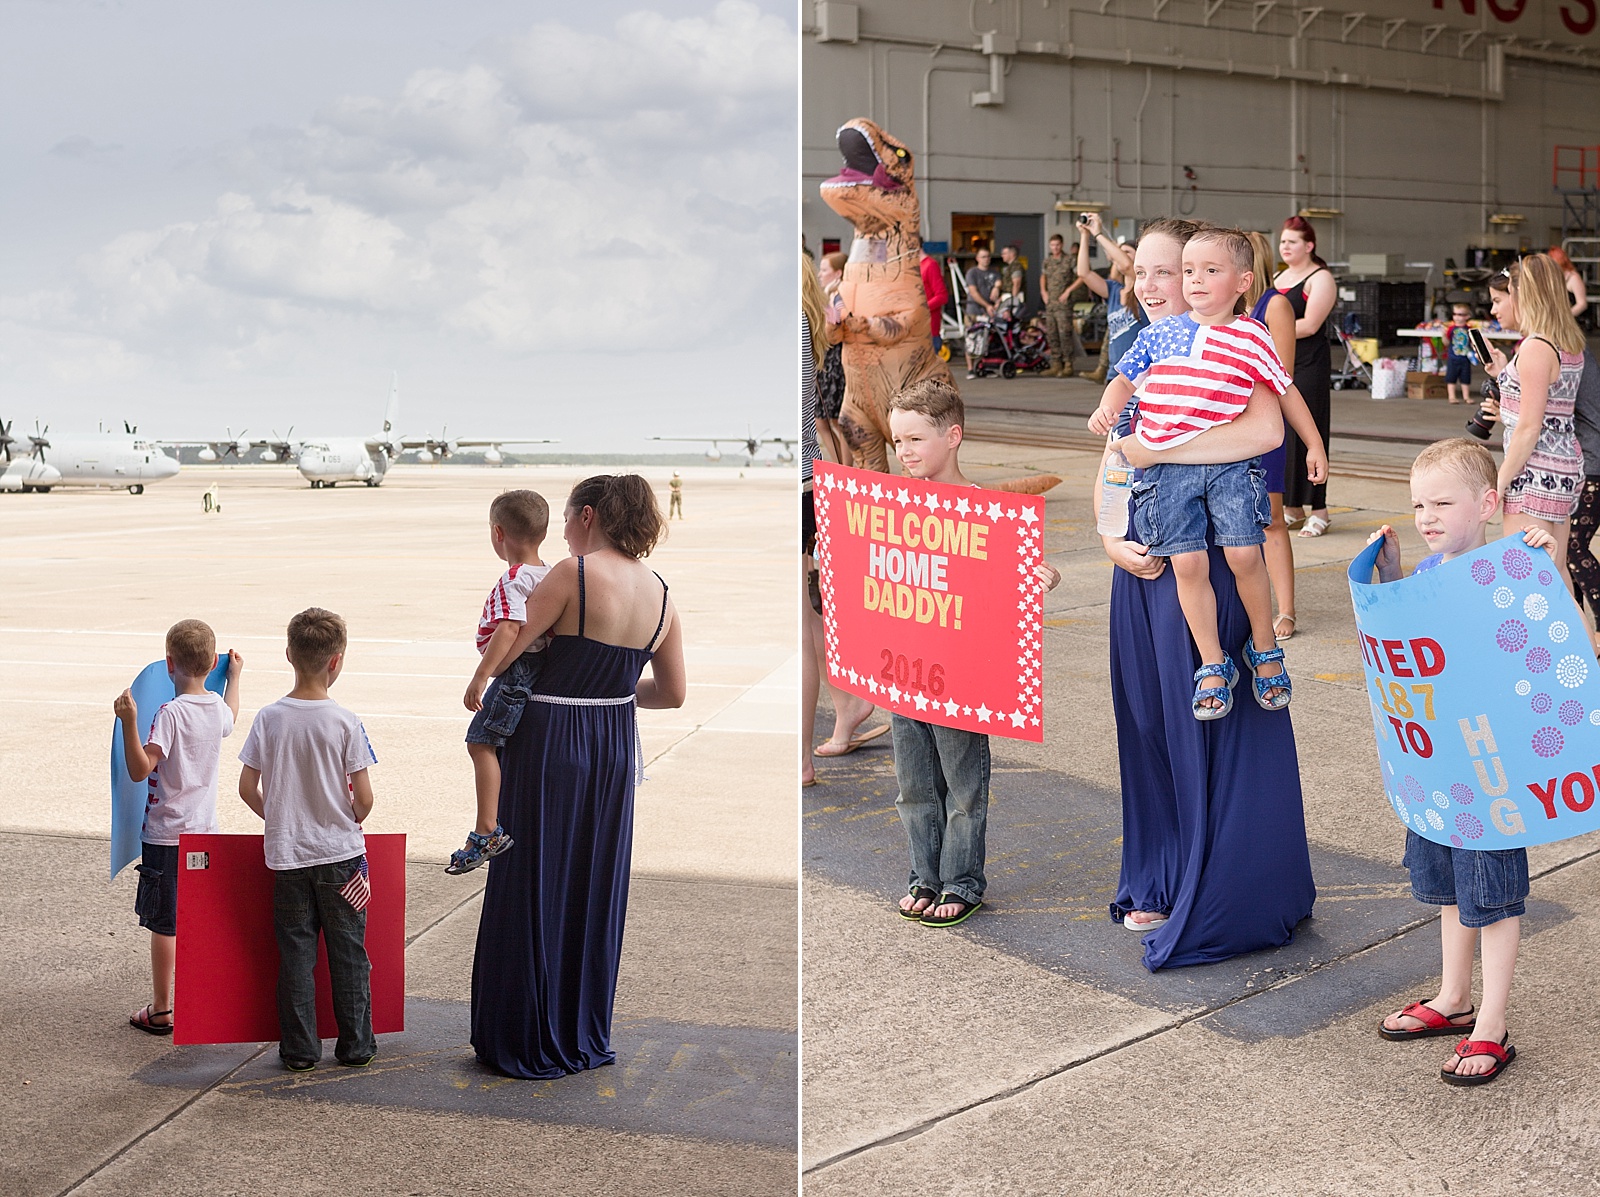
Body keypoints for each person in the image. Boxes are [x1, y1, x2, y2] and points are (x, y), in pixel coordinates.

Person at [1097, 216, 1316, 962]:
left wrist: (1152, 448)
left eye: (1174, 271)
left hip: (1216, 564)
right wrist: (1106, 536)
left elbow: (1259, 434)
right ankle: (1158, 870)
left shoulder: (1232, 346)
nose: (1160, 286)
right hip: (1142, 569)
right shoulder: (1143, 353)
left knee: (1211, 740)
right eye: (1151, 274)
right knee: (1150, 732)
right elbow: (1111, 462)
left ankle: (1223, 885)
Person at [471, 475, 685, 1078]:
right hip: (613, 743)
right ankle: (581, 1028)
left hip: (551, 739)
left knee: (531, 878)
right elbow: (672, 693)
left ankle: (525, 1033)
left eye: (567, 519)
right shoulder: (663, 592)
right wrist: (610, 690)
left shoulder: (574, 573)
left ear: (587, 516)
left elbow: (512, 648)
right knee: (594, 878)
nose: (563, 531)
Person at [1367, 439, 1554, 1084]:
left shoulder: (1512, 568)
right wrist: (1387, 580)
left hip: (1492, 772)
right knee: (1449, 885)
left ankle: (1492, 1025)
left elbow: (1541, 630)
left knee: (1493, 895)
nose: (1427, 515)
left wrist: (1538, 558)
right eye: (1420, 503)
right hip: (1437, 767)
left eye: (1443, 502)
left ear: (1489, 504)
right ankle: (1453, 997)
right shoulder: (1423, 574)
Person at [1088, 226, 1328, 718]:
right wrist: (1110, 536)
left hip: (1222, 509)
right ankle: (1213, 666)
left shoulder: (1243, 342)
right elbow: (1115, 447)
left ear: (1239, 281)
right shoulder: (1153, 342)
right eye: (1139, 274)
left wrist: (1314, 442)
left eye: (1168, 273)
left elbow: (1271, 421)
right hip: (1148, 544)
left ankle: (1259, 652)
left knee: (1242, 555)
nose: (1149, 286)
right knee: (1154, 714)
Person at [885, 379, 1060, 926]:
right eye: (897, 441)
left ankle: (961, 880)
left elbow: (1009, 573)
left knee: (962, 786)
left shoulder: (984, 510)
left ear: (953, 435)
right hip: (901, 668)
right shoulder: (890, 508)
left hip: (959, 677)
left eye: (915, 438)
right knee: (912, 785)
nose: (904, 451)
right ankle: (923, 876)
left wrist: (1038, 574)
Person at [238, 608, 378, 1071]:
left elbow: (246, 788)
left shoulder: (269, 718)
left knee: (296, 954)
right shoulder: (344, 721)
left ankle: (300, 1050)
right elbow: (364, 800)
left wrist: (280, 818)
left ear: (288, 655)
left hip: (288, 857)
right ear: (336, 661)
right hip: (341, 856)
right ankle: (356, 1045)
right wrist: (345, 817)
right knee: (348, 953)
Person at [113, 620, 242, 1035]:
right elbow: (232, 713)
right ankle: (202, 997)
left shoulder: (169, 714)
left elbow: (139, 769)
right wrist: (234, 679)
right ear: (212, 664)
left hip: (167, 836)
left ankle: (163, 1009)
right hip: (206, 834)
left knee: (165, 923)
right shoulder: (217, 710)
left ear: (169, 663)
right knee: (196, 917)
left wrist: (129, 721)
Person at [802, 255, 882, 781]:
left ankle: (799, 756)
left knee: (802, 621)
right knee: (811, 614)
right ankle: (848, 704)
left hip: (798, 484)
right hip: (808, 480)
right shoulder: (806, 320)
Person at [450, 489, 551, 875]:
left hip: (515, 672)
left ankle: (487, 829)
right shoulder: (548, 573)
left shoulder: (515, 578)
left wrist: (480, 677)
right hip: (533, 670)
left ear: (498, 533)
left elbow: (509, 627)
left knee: (481, 742)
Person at [1483, 255, 1588, 604]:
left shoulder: (1534, 348)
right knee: (1556, 573)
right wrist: (1504, 373)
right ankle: (1582, 655)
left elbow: (1529, 427)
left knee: (1526, 578)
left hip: (1533, 474)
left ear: (1523, 294)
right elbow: (1550, 411)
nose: (1498, 306)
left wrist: (1499, 483)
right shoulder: (1568, 345)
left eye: (1504, 295)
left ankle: (1539, 656)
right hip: (1562, 469)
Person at [1245, 230, 1301, 641]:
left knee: (1272, 521)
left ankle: (1286, 609)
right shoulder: (1224, 310)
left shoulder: (1275, 305)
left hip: (1262, 427)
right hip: (1226, 428)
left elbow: (1283, 375)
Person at [1274, 216, 1337, 537]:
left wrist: (1268, 331)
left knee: (1310, 433)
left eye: (1292, 242)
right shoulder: (1277, 277)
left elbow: (1310, 324)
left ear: (1309, 246)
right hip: (1279, 364)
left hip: (1309, 365)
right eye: (1283, 241)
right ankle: (1292, 506)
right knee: (1284, 435)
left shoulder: (1320, 278)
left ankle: (1320, 508)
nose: (1284, 246)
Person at [1075, 212, 1143, 384]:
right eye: (1121, 253)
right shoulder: (1113, 289)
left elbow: (1128, 266)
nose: (1123, 256)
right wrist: (1085, 235)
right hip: (1115, 373)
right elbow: (1084, 273)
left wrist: (1098, 233)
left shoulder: (1144, 287)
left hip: (1139, 373)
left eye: (1128, 252)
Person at [1563, 345, 1600, 638]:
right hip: (1586, 461)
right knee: (1567, 550)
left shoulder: (1563, 351)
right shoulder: (1574, 350)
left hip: (1592, 462)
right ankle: (1578, 629)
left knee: (1573, 547)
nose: (1495, 310)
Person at [814, 251, 850, 463]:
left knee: (835, 420)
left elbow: (839, 320)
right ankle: (840, 466)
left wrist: (828, 299)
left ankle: (845, 468)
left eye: (824, 270)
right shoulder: (831, 295)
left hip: (836, 363)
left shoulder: (838, 296)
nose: (819, 274)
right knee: (823, 421)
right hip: (827, 363)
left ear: (838, 273)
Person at [1039, 232, 1081, 377]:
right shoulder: (1047, 261)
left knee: (1065, 333)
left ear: (1062, 245)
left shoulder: (1069, 260)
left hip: (1064, 303)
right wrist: (1043, 291)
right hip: (1050, 303)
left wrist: (1069, 290)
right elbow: (1043, 276)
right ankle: (1056, 364)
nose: (1055, 248)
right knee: (1052, 333)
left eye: (1057, 245)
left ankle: (1068, 364)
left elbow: (1081, 277)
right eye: (1052, 245)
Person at [963, 246, 1001, 378]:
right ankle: (970, 369)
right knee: (971, 339)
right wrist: (986, 305)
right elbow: (973, 292)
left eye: (988, 256)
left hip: (989, 311)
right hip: (974, 310)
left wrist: (996, 289)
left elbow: (999, 283)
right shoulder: (972, 273)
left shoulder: (994, 273)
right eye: (983, 257)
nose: (986, 259)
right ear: (977, 258)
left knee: (986, 340)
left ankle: (983, 367)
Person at [919, 249, 950, 357]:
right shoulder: (915, 267)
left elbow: (942, 296)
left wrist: (922, 308)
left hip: (928, 331)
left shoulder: (930, 265)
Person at [1444, 304, 1475, 406]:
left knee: (1465, 378)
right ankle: (1452, 396)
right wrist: (1443, 335)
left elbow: (1472, 342)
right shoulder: (1451, 329)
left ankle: (1466, 397)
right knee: (1451, 378)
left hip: (1465, 358)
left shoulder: (1469, 329)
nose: (1457, 317)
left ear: (1467, 316)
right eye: (1455, 314)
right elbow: (1447, 342)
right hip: (1453, 357)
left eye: (1460, 315)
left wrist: (1475, 350)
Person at [1548, 245, 1589, 323]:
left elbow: (1582, 304)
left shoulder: (1574, 278)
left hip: (1573, 322)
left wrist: (1564, 317)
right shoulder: (1554, 277)